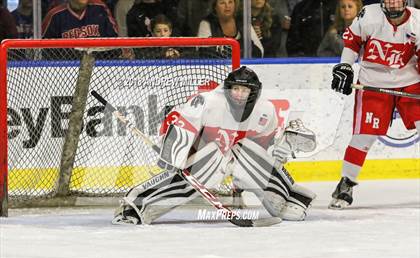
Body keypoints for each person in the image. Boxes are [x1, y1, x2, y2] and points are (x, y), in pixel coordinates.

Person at [112, 66, 317, 225]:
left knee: (244, 151)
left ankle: (288, 199)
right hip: (203, 157)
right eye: (235, 88)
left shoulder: (265, 111)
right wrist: (174, 157)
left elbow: (261, 149)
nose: (238, 94)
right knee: (211, 158)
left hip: (233, 157)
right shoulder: (207, 102)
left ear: (253, 92)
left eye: (244, 90)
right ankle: (137, 206)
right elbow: (181, 129)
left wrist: (256, 171)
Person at [329, 0, 420, 209]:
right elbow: (352, 43)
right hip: (373, 82)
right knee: (364, 135)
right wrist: (345, 66)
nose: (394, 4)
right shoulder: (368, 15)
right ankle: (346, 183)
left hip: (410, 82)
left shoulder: (418, 20)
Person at [198, 0, 264, 58]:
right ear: (215, 7)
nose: (227, 6)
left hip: (243, 67)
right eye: (222, 3)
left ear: (235, 4)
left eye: (230, 2)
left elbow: (260, 50)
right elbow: (204, 52)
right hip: (218, 70)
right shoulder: (206, 23)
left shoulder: (243, 22)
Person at [42, 0, 119, 38]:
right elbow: (43, 50)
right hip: (65, 65)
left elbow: (115, 38)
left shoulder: (100, 8)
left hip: (100, 64)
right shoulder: (55, 15)